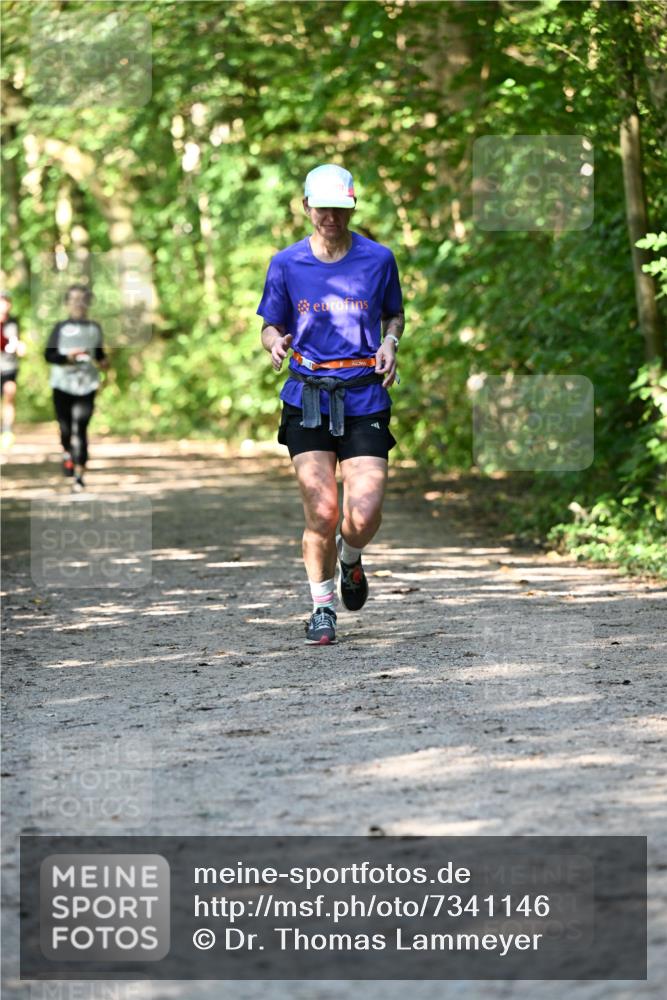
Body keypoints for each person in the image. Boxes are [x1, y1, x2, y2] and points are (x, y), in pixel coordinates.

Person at [257, 164, 405, 645]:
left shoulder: (379, 259)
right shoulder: (286, 263)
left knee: (362, 515)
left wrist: (390, 342)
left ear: (352, 207)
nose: (331, 217)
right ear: (306, 207)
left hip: (364, 394)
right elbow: (270, 325)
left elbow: (394, 314)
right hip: (307, 396)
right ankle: (322, 608)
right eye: (322, 208)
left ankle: (351, 556)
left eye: (340, 209)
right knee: (322, 512)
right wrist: (275, 343)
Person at [44, 284, 108, 492]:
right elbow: (48, 355)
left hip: (87, 385)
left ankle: (79, 476)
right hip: (62, 385)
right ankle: (67, 453)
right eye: (74, 299)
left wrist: (104, 362)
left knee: (80, 428)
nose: (78, 304)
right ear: (67, 303)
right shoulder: (60, 328)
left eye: (82, 299)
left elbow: (99, 353)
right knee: (65, 430)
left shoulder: (94, 328)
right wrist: (67, 358)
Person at [1, 292, 26, 450]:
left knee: (9, 395)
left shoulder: (13, 322)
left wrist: (21, 347)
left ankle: (7, 430)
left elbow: (17, 341)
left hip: (9, 366)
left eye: (6, 302)